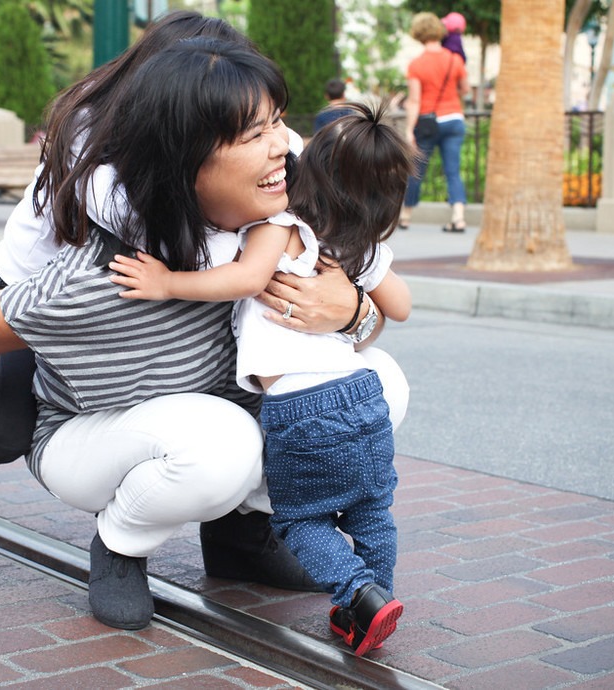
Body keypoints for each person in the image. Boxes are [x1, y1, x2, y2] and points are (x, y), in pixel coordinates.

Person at [0, 14, 407, 629]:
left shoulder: (272, 182)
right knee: (13, 424)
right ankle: (113, 542)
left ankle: (243, 542)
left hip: (190, 296)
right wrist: (24, 396)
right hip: (32, 296)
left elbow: (369, 284)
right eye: (247, 126)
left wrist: (350, 311)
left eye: (273, 120)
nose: (280, 147)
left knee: (369, 388)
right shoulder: (108, 194)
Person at [109, 100, 415, 654]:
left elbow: (246, 278)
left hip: (303, 407)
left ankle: (359, 593)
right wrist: (355, 292)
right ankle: (376, 601)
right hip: (363, 398)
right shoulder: (361, 245)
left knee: (301, 522)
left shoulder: (283, 224)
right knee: (372, 510)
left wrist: (167, 283)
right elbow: (403, 306)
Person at [399, 12, 470, 233]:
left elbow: (414, 100)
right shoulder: (455, 59)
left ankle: (406, 215)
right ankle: (458, 217)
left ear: (418, 35)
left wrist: (409, 129)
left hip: (429, 123)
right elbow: (465, 90)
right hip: (455, 119)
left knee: (417, 168)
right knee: (453, 170)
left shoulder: (416, 65)